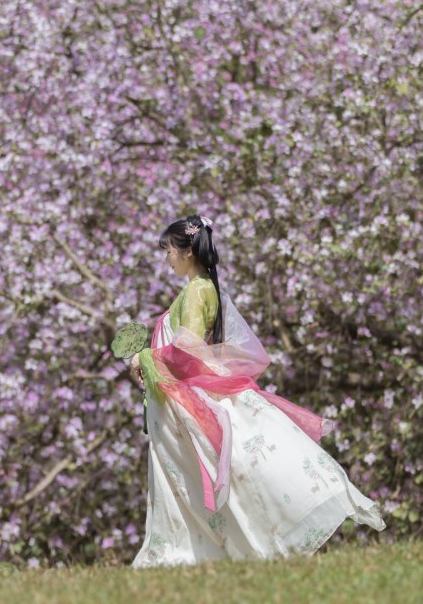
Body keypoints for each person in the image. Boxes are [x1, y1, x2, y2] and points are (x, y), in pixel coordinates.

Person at [127, 214, 385, 567]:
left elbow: (187, 349)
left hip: (184, 398)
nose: (166, 258)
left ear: (187, 251)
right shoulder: (202, 287)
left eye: (169, 250)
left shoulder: (197, 289)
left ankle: (199, 553)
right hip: (175, 399)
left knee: (211, 476)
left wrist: (144, 357)